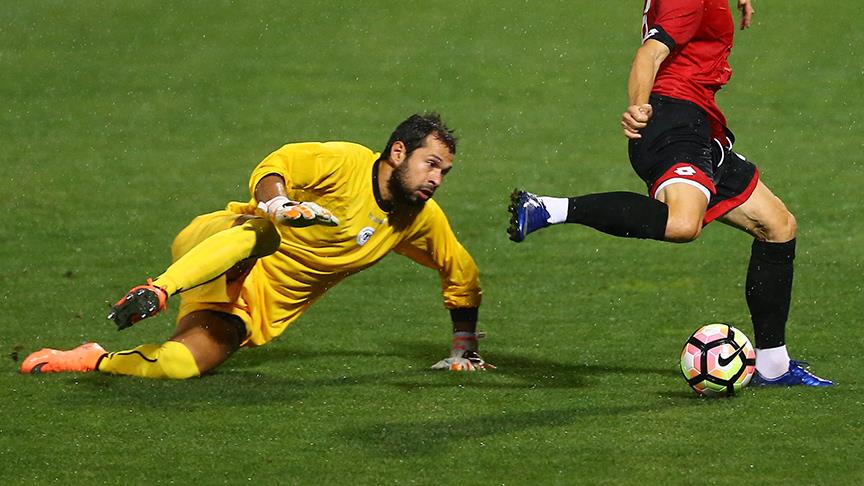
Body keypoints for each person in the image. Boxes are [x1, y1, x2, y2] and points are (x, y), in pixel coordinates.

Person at [507, 0, 831, 386]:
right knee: (681, 224)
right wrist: (638, 106)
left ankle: (773, 367)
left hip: (700, 125)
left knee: (778, 225)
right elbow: (649, 53)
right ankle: (549, 208)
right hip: (672, 121)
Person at [22, 113, 492, 378]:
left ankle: (92, 357)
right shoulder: (345, 163)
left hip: (246, 306)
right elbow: (277, 165)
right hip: (219, 243)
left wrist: (463, 347)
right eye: (430, 164)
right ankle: (157, 290)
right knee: (265, 234)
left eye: (444, 172)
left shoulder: (418, 220)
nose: (436, 179)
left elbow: (461, 271)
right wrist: (279, 205)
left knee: (183, 366)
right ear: (397, 153)